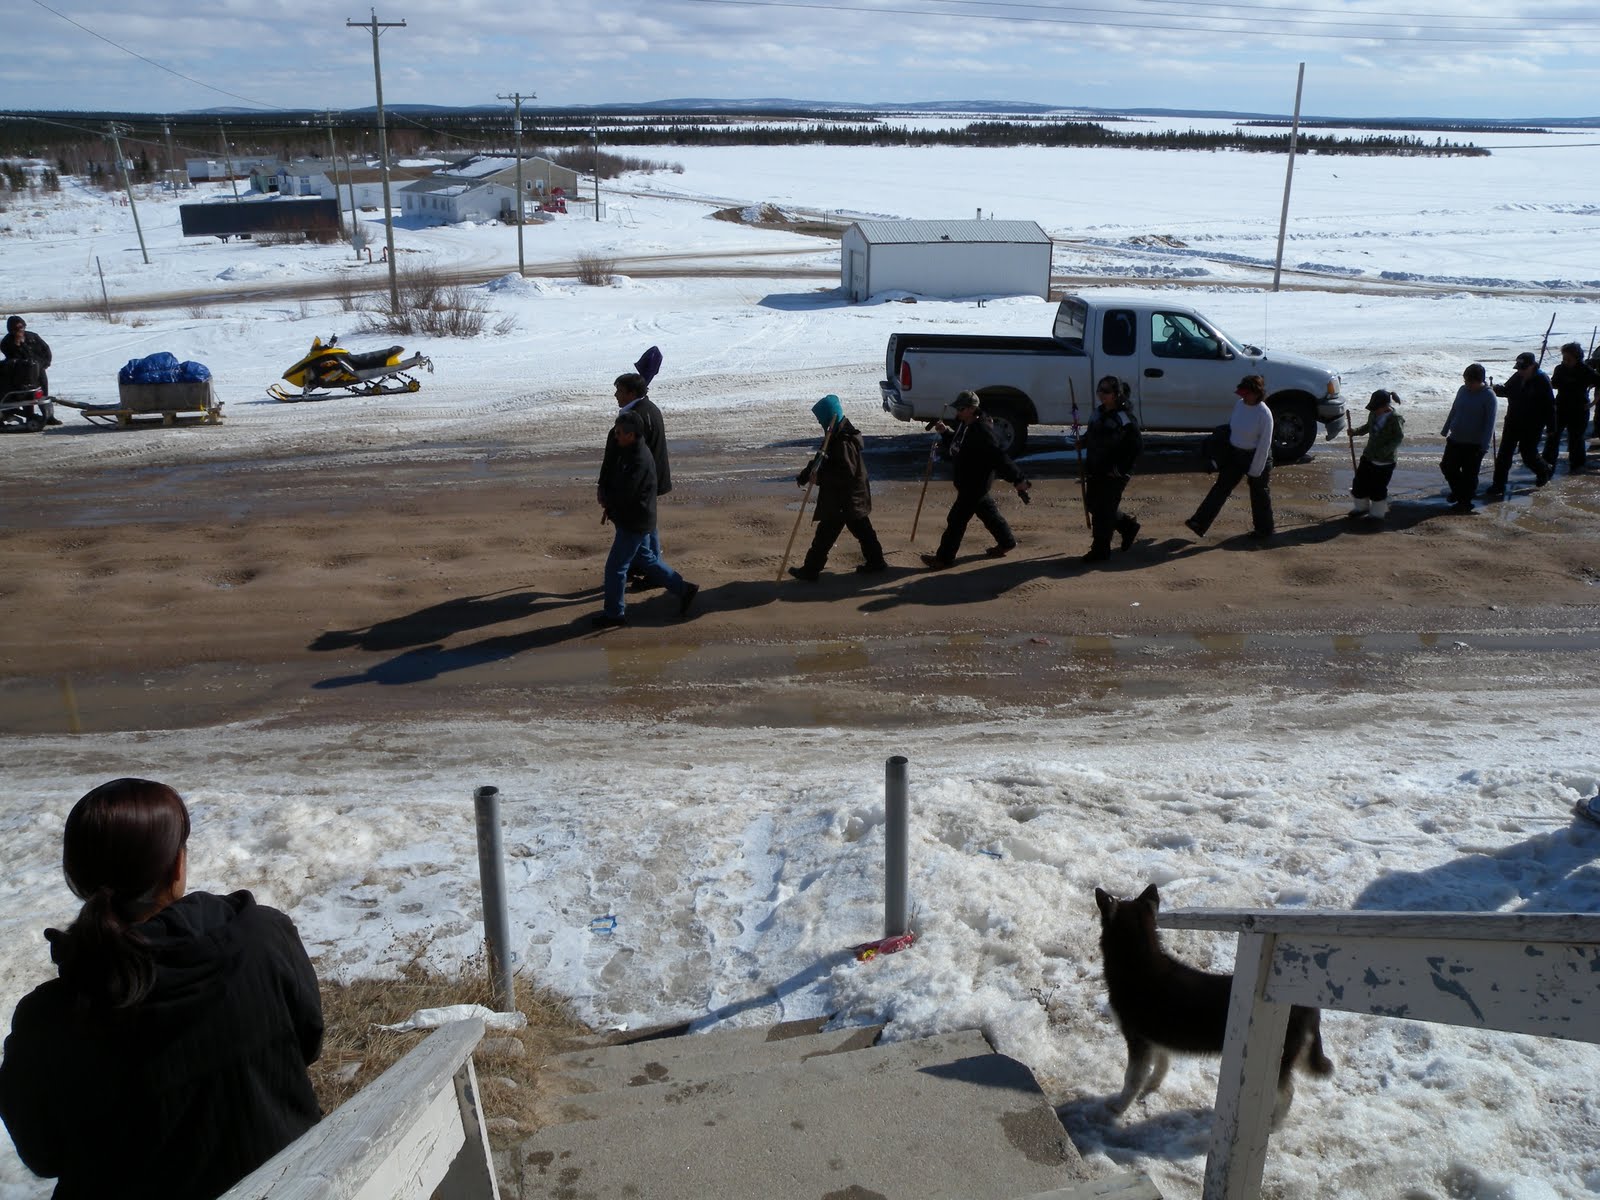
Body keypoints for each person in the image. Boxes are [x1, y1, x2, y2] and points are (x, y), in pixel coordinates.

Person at [0, 778, 323, 1200]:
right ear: (176, 867)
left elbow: (44, 1157)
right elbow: (309, 1043)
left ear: (75, 879)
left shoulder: (47, 1020)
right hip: (290, 1185)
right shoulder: (264, 939)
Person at [594, 409, 698, 628]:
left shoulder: (638, 459)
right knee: (647, 560)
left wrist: (609, 502)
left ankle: (614, 614)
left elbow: (626, 493)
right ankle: (684, 589)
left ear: (631, 435)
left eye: (619, 433)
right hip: (638, 519)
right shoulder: (631, 450)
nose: (615, 436)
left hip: (634, 521)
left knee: (615, 567)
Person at [920, 391, 1030, 569]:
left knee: (956, 520)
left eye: (961, 408)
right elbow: (959, 446)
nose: (957, 411)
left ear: (972, 409)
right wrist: (946, 433)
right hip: (970, 482)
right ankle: (1007, 542)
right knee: (989, 514)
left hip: (974, 483)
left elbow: (999, 458)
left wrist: (1018, 479)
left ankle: (944, 559)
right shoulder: (967, 424)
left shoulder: (982, 431)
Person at [788, 394, 887, 581]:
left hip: (846, 498)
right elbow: (820, 457)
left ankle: (811, 570)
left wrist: (820, 478)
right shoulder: (834, 434)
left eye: (820, 418)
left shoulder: (843, 441)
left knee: (828, 535)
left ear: (829, 416)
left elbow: (845, 474)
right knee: (860, 531)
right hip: (844, 498)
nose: (819, 422)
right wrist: (805, 475)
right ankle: (876, 562)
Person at [599, 370, 671, 587]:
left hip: (637, 486)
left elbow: (626, 456)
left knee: (638, 530)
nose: (616, 395)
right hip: (648, 482)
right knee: (647, 527)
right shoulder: (649, 409)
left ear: (631, 393)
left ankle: (657, 574)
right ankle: (645, 568)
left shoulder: (635, 417)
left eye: (619, 391)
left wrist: (611, 489)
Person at [1185, 374, 1275, 541]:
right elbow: (1234, 428)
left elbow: (1264, 445)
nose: (1243, 397)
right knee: (1220, 488)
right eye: (1241, 393)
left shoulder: (1264, 413)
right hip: (1236, 454)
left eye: (1246, 393)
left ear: (1256, 393)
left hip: (1257, 456)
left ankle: (1264, 530)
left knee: (1259, 494)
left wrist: (1255, 470)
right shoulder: (1240, 405)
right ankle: (1199, 522)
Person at [1080, 375, 1142, 562]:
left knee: (1103, 511)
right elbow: (1092, 436)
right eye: (1099, 390)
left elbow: (1136, 447)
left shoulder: (1124, 418)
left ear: (1116, 394)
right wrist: (1082, 442)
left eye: (1106, 391)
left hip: (1114, 472)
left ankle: (1100, 551)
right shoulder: (1097, 413)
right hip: (1095, 468)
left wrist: (1120, 469)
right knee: (1092, 504)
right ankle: (1127, 526)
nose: (1101, 394)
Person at [1485, 351, 1554, 498]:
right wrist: (1494, 389)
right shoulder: (1517, 377)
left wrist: (1551, 426)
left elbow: (1549, 405)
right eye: (1519, 368)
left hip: (1533, 424)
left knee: (1528, 454)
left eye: (1524, 368)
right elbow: (1507, 390)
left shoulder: (1542, 380)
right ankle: (1498, 485)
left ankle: (1544, 470)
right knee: (1504, 454)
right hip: (1513, 421)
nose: (1521, 371)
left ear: (1533, 366)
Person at [1440, 364, 1498, 513]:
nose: (1467, 384)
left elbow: (1490, 423)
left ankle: (1465, 502)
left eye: (1470, 382)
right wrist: (1446, 428)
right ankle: (1460, 492)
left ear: (1480, 381)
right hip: (1456, 439)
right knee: (1447, 467)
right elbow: (1454, 409)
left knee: (1469, 475)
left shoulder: (1488, 396)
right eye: (1465, 381)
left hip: (1474, 444)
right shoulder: (1462, 390)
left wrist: (1484, 447)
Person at [1348, 389, 1405, 523]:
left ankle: (1377, 514)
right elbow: (1368, 427)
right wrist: (1355, 432)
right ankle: (1361, 508)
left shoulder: (1395, 419)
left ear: (1386, 406)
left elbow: (1398, 438)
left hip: (1385, 462)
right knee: (1359, 484)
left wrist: (1385, 452)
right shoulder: (1373, 414)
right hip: (1369, 456)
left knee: (1377, 489)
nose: (1374, 411)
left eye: (1377, 408)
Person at [1546, 342, 1598, 472]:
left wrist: (1593, 403)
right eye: (1564, 358)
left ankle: (1577, 465)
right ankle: (1547, 464)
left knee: (1576, 439)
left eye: (1569, 359)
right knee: (1553, 436)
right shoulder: (1559, 369)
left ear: (1577, 357)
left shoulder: (1585, 370)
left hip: (1579, 409)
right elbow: (1554, 384)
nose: (1565, 361)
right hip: (1561, 408)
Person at [1, 314, 59, 426]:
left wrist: (45, 363)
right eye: (17, 328)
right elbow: (15, 356)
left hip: (39, 370)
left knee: (44, 394)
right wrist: (18, 344)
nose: (20, 330)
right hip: (22, 373)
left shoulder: (33, 337)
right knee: (28, 395)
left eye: (21, 327)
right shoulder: (7, 342)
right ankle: (29, 417)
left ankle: (49, 417)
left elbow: (45, 349)